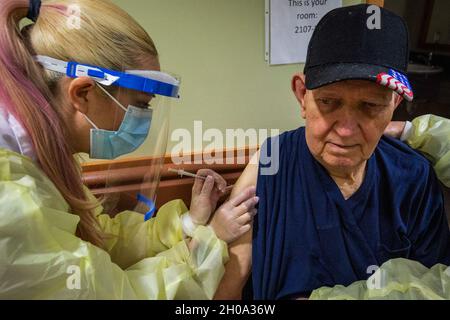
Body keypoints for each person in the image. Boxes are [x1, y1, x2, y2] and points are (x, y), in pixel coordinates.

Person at [0, 0, 258, 299]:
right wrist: (209, 241)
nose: (144, 119)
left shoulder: (37, 161)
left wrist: (191, 222)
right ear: (83, 93)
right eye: (140, 105)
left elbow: (102, 238)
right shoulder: (10, 200)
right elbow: (120, 294)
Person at [214, 4, 450, 300]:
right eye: (329, 102)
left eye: (370, 106)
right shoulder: (271, 164)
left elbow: (435, 286)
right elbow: (228, 291)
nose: (346, 129)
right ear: (302, 96)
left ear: (394, 104)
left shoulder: (413, 177)